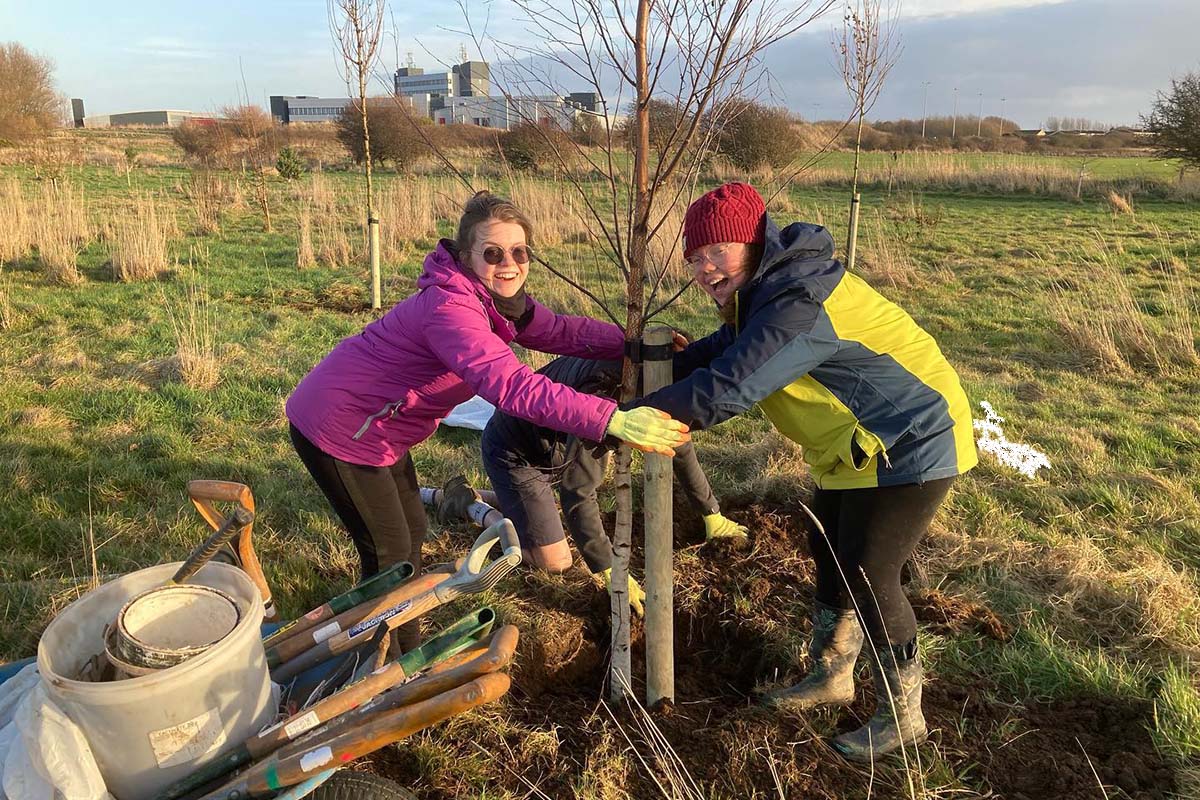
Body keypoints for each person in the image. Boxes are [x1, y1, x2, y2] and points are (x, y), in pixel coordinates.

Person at [631, 182, 977, 762]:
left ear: (754, 241)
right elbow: (725, 350)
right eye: (693, 257)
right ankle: (831, 677)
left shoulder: (798, 299)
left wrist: (626, 418)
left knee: (870, 570)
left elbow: (734, 383)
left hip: (911, 438)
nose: (704, 268)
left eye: (718, 250)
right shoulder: (768, 293)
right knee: (828, 548)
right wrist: (652, 361)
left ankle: (903, 715)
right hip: (856, 447)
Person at [286, 191, 689, 651]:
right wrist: (610, 418)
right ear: (465, 257)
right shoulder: (451, 310)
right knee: (390, 555)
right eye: (492, 253)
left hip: (381, 431)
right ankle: (380, 666)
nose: (509, 264)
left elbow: (559, 331)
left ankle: (398, 646)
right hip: (339, 429)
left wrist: (629, 344)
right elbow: (512, 387)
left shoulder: (499, 304)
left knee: (412, 534)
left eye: (519, 252)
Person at [469, 355, 748, 613]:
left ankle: (509, 503)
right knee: (556, 561)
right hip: (515, 453)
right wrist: (609, 567)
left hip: (553, 445)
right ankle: (476, 507)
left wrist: (712, 513)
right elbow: (577, 491)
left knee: (545, 506)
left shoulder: (655, 377)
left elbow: (680, 447)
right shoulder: (604, 403)